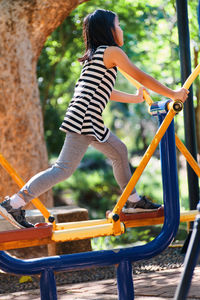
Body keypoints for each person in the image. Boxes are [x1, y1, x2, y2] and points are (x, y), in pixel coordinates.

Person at [0, 9, 189, 228]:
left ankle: (133, 200)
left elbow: (104, 91)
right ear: (108, 30)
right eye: (118, 25)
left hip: (88, 117)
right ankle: (14, 203)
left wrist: (134, 99)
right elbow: (141, 76)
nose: (121, 29)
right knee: (63, 169)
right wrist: (173, 94)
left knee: (119, 151)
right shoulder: (112, 52)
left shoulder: (94, 55)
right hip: (85, 117)